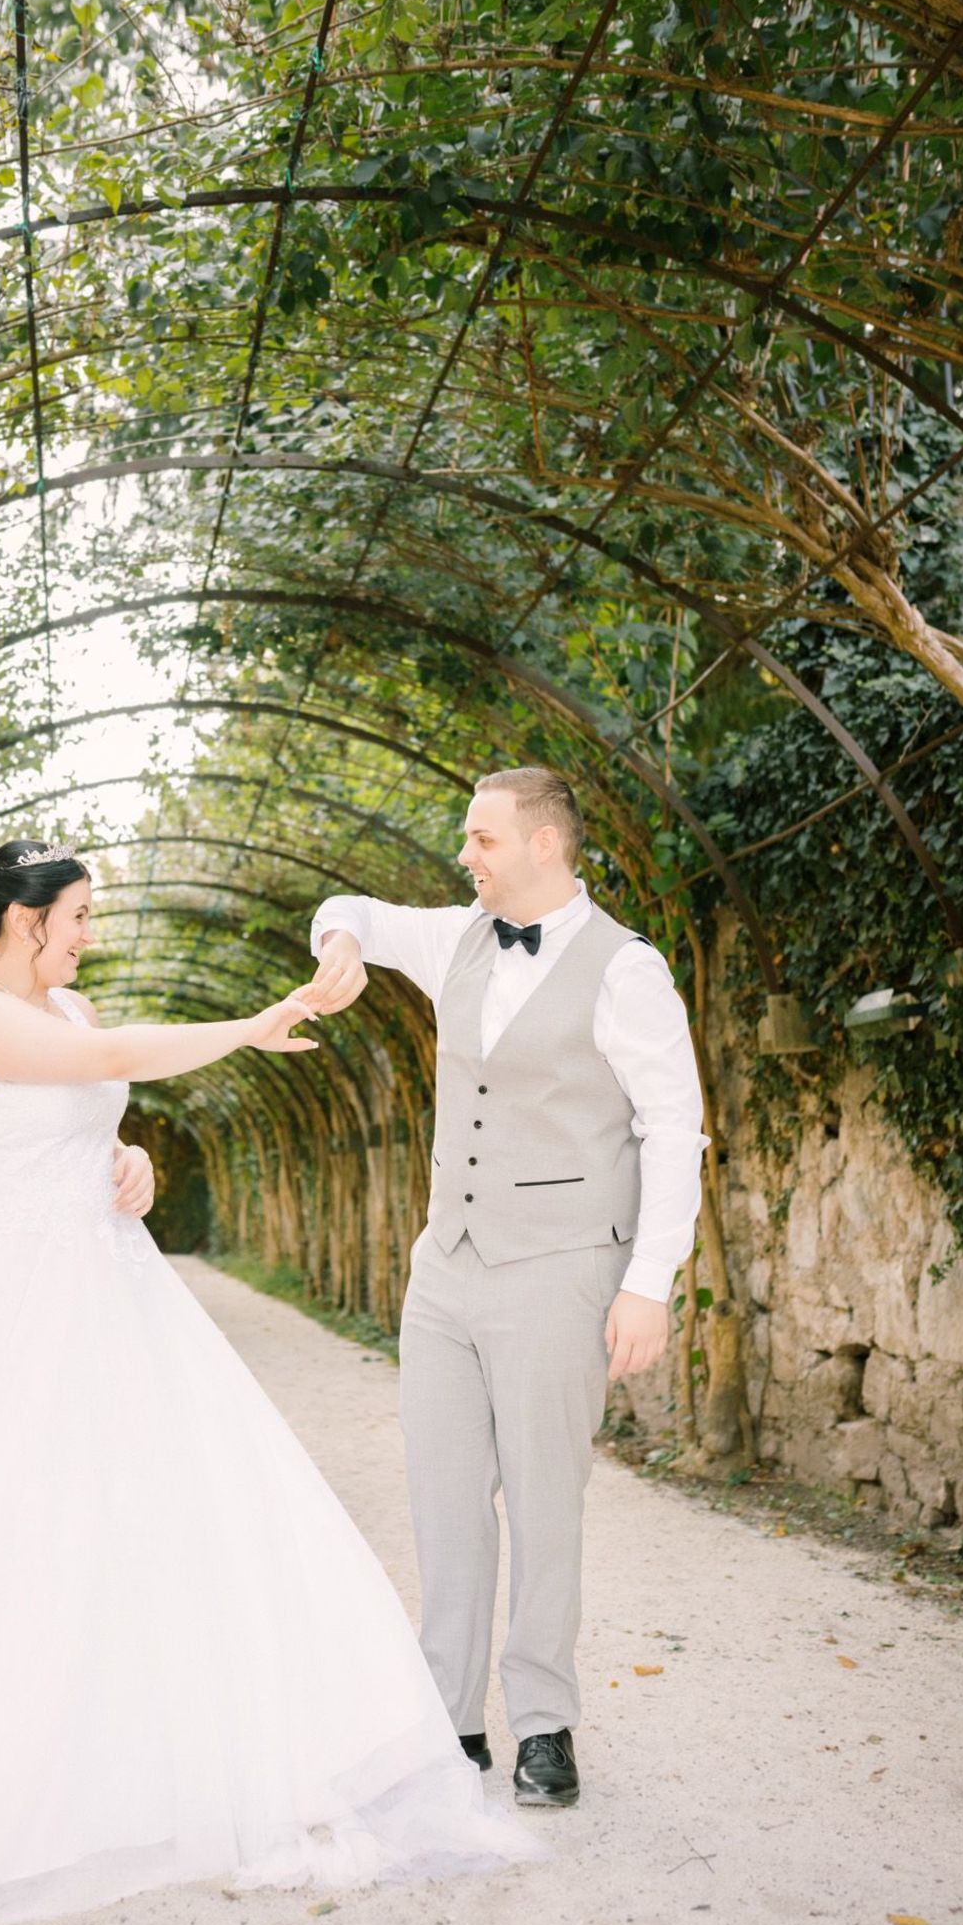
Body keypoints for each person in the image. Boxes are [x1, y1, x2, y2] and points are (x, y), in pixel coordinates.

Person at [0, 838, 546, 1925]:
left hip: (111, 1287)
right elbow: (109, 1056)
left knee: (167, 1511)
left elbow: (87, 1111)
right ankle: (26, 1794)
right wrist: (251, 1025)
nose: (87, 934)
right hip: (22, 1306)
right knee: (36, 1525)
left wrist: (133, 1162)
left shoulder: (66, 1012)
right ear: (23, 920)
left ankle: (151, 1763)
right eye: (76, 916)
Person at [309, 769, 707, 1808]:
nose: (464, 854)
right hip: (446, 1265)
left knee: (542, 1500)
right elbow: (351, 909)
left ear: (542, 844)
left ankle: (542, 1722)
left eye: (480, 838)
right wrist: (340, 943)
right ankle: (450, 1719)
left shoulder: (627, 970)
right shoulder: (458, 938)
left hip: (561, 1265)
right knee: (443, 1496)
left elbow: (674, 1129)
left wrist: (648, 1282)